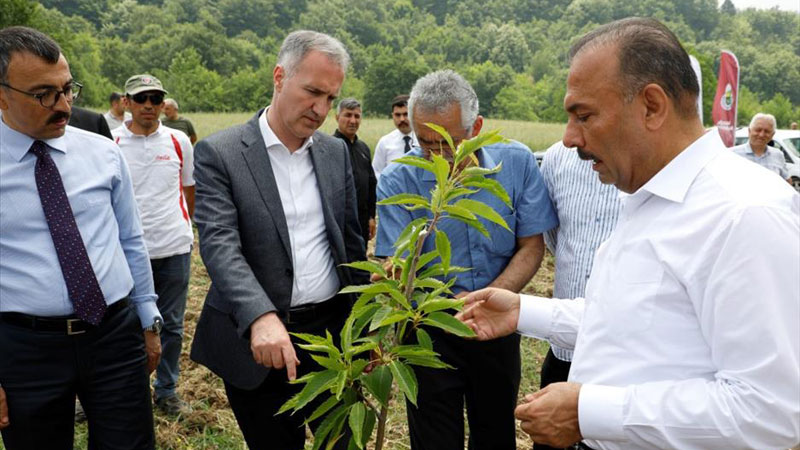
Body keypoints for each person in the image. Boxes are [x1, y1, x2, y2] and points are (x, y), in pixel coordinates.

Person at [457, 17, 800, 450]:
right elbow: (632, 322)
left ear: (652, 106)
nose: (568, 139)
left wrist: (587, 412)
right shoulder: (649, 198)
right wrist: (523, 312)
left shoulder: (745, 213)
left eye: (584, 115)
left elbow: (768, 411)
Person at [189, 30, 368, 450]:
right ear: (279, 76)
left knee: (341, 442)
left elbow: (350, 243)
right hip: (261, 343)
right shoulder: (222, 153)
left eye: (330, 97)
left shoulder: (333, 152)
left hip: (331, 337)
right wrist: (260, 316)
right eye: (312, 92)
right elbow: (219, 245)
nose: (321, 109)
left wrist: (367, 320)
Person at [375, 70, 558, 450]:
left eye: (448, 143)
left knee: (495, 433)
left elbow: (531, 246)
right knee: (433, 438)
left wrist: (492, 297)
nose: (437, 155)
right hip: (427, 328)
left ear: (476, 127)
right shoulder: (399, 179)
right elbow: (396, 259)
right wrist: (392, 277)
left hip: (497, 322)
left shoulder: (516, 163)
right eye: (426, 143)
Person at [0, 26, 162, 449]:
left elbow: (130, 238)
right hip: (24, 350)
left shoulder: (102, 153)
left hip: (114, 335)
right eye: (44, 95)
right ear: (1, 94)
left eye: (68, 89)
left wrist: (148, 320)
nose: (64, 106)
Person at [112, 74, 195, 417]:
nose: (149, 106)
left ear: (163, 104)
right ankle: (124, 389)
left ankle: (167, 390)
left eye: (155, 99)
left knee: (172, 324)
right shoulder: (111, 141)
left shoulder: (178, 141)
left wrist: (183, 226)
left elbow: (188, 188)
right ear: (127, 103)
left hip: (173, 246)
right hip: (125, 252)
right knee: (122, 325)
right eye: (141, 99)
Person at [535, 141, 621, 450]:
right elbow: (554, 234)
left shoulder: (645, 160)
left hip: (620, 351)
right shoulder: (557, 157)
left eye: (584, 115)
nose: (572, 133)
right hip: (564, 344)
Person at [333, 97, 377, 249]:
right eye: (348, 115)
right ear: (337, 117)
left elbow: (371, 184)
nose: (353, 120)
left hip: (362, 220)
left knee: (360, 263)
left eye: (357, 116)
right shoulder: (330, 148)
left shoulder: (363, 148)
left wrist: (371, 217)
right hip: (340, 222)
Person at [731, 113, 791, 183]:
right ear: (749, 131)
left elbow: (787, 181)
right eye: (758, 130)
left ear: (772, 135)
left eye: (767, 131)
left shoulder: (778, 155)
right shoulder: (732, 154)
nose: (761, 135)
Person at [372, 94, 417, 179]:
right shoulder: (385, 143)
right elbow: (376, 172)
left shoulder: (423, 141)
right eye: (397, 115)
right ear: (392, 115)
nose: (402, 119)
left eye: (405, 114)